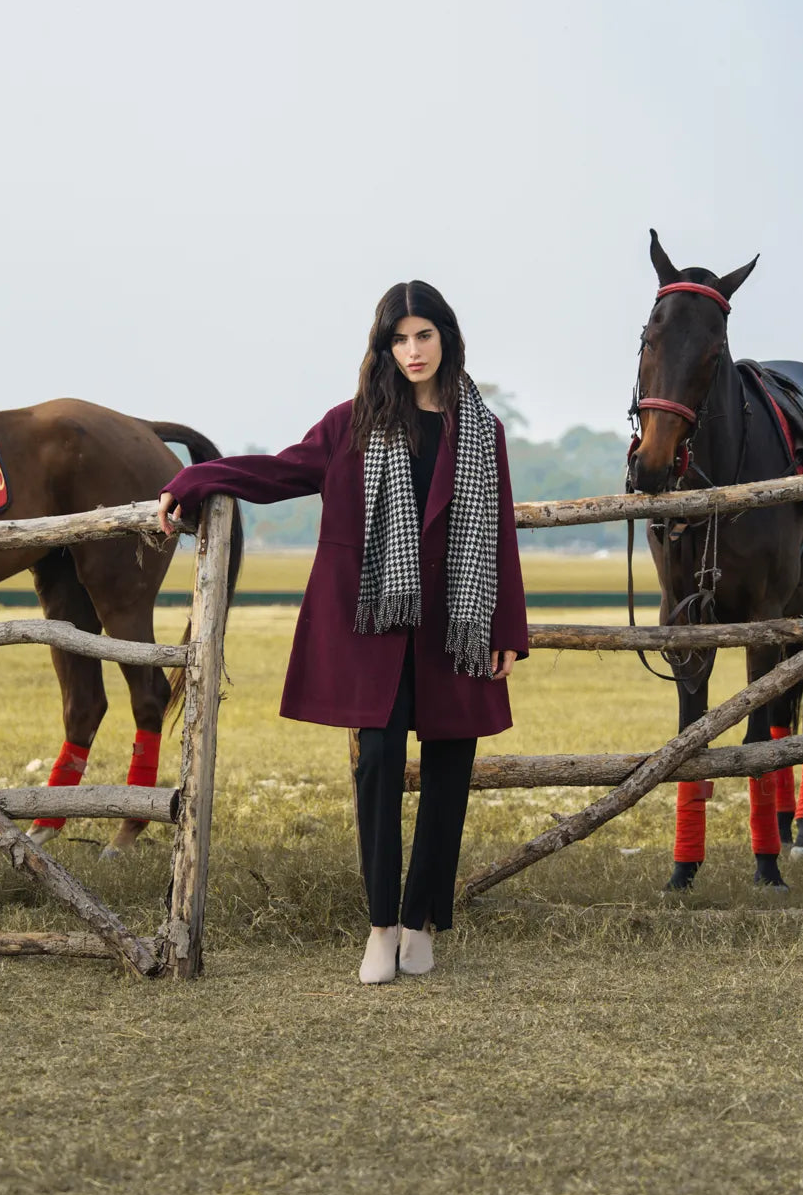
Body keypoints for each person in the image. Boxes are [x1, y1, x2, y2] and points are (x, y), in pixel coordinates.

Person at [158, 280, 528, 984]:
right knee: (378, 760)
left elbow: (499, 529)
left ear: (446, 337)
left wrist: (506, 625)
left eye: (424, 335)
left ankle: (421, 922)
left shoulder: (482, 430)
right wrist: (199, 477)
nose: (413, 350)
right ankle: (381, 926)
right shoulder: (352, 423)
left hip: (455, 621)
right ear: (383, 347)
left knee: (451, 766)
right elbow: (281, 472)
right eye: (399, 338)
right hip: (376, 624)